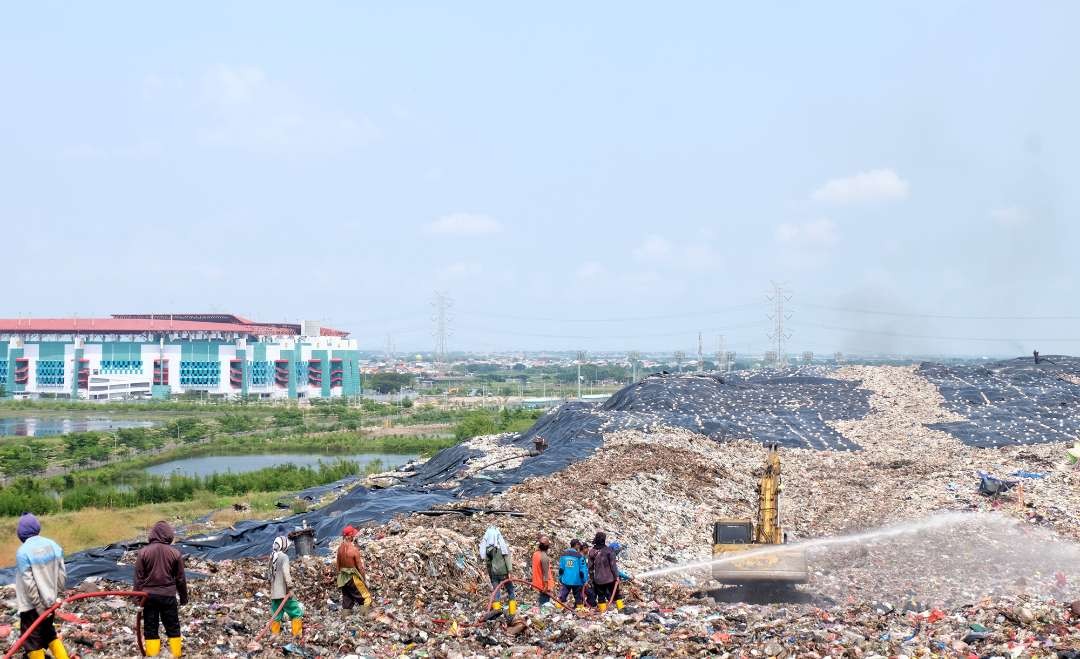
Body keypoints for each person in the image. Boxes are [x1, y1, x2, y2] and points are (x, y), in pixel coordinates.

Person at [14, 513, 68, 659]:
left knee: (32, 642)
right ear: (37, 528)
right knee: (49, 634)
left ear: (21, 533)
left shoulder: (23, 552)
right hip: (50, 603)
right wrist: (54, 597)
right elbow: (62, 576)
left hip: (31, 607)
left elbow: (29, 584)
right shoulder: (54, 545)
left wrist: (39, 608)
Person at [134, 521, 188, 657]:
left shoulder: (143, 552)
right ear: (169, 534)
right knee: (173, 626)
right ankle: (176, 655)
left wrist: (138, 598)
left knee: (150, 627)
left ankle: (152, 655)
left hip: (149, 597)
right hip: (168, 596)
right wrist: (183, 598)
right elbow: (180, 578)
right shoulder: (175, 553)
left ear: (152, 534)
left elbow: (138, 578)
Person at [268, 535, 303, 638]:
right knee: (296, 612)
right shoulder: (284, 557)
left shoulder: (272, 556)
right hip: (284, 592)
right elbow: (286, 573)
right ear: (284, 546)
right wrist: (290, 588)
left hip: (274, 593)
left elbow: (269, 576)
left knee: (276, 615)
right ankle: (296, 635)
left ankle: (275, 635)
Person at [479, 526, 516, 615]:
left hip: (494, 574)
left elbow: (488, 563)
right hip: (504, 573)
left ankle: (497, 613)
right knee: (510, 590)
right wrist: (510, 572)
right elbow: (507, 558)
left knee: (496, 592)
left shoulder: (487, 549)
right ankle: (512, 612)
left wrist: (491, 575)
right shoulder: (502, 546)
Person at [336, 525, 372, 616]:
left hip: (343, 577)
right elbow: (360, 567)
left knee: (347, 600)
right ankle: (365, 619)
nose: (354, 536)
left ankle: (345, 620)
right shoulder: (353, 550)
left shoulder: (340, 549)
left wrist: (340, 578)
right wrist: (364, 579)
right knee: (366, 598)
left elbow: (338, 566)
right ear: (350, 536)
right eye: (353, 535)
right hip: (352, 576)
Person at [588, 531, 622, 612]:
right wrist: (617, 576)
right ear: (604, 540)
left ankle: (603, 612)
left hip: (598, 580)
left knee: (601, 596)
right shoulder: (609, 550)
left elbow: (590, 567)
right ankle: (621, 610)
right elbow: (613, 566)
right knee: (616, 595)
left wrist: (592, 579)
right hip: (610, 578)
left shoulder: (592, 551)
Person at [557, 539, 588, 609]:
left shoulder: (564, 555)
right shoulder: (579, 556)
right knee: (578, 598)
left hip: (566, 580)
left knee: (562, 596)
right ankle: (579, 610)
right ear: (576, 545)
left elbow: (561, 569)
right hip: (577, 581)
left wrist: (560, 578)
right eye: (579, 545)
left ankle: (557, 609)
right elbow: (582, 570)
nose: (579, 547)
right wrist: (585, 580)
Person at [530, 535, 555, 606]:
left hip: (537, 583)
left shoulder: (535, 554)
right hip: (544, 585)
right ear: (547, 547)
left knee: (541, 602)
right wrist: (546, 586)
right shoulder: (544, 557)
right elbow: (545, 573)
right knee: (544, 604)